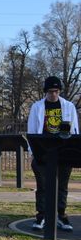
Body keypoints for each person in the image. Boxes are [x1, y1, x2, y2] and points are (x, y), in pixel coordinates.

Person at [27, 76, 79, 231]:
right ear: (46, 92)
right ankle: (42, 216)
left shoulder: (68, 106)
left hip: (64, 153)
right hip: (43, 152)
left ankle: (61, 216)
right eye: (50, 92)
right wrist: (33, 152)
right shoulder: (37, 107)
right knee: (43, 186)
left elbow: (75, 129)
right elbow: (32, 130)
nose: (53, 95)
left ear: (59, 91)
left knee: (62, 186)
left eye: (56, 91)